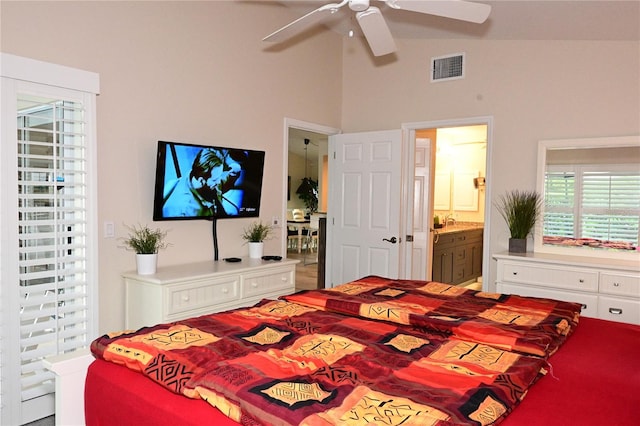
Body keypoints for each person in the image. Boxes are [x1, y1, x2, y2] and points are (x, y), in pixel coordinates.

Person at [162, 148, 246, 218]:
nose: (218, 181)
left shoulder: (205, 178)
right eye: (215, 179)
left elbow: (223, 183)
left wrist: (234, 174)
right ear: (201, 181)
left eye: (219, 177)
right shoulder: (182, 211)